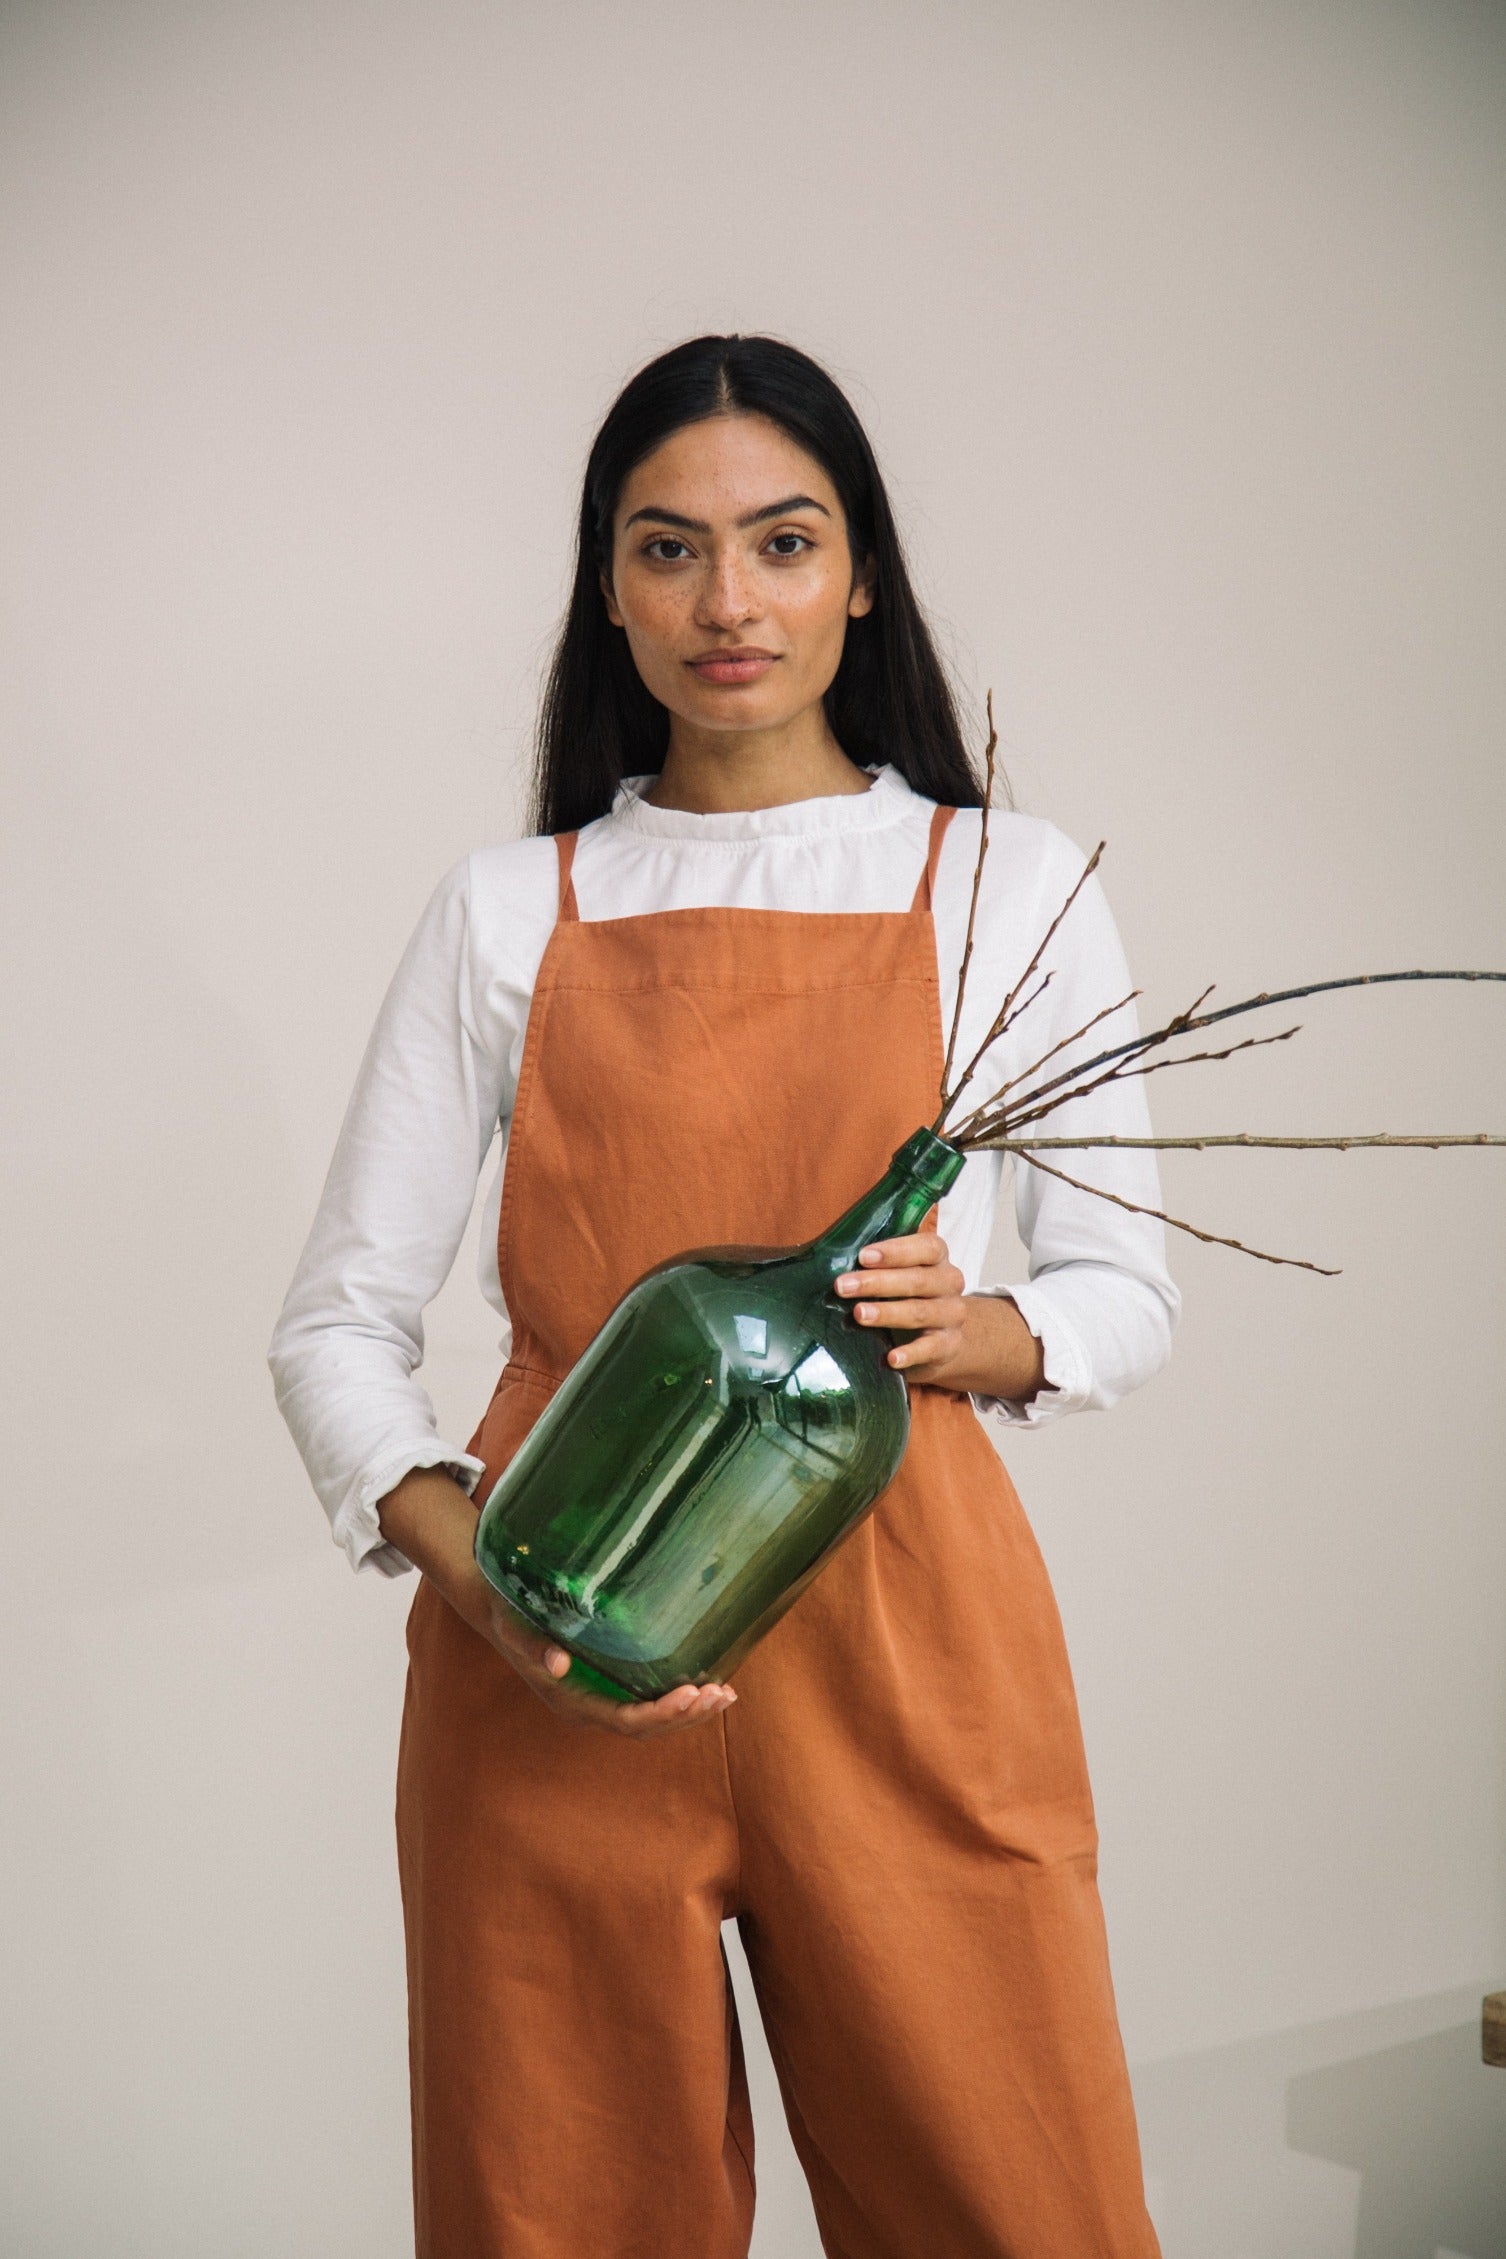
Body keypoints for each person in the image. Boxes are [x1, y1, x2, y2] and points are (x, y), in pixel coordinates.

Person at [269, 333, 1179, 2258]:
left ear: (862, 576)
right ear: (608, 590)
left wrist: (978, 1332)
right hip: (565, 1626)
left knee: (1016, 2207)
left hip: (912, 1628)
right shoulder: (511, 908)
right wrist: (478, 1580)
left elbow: (1119, 1287)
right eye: (667, 550)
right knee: (556, 2218)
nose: (727, 603)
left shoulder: (1000, 882)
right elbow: (336, 1325)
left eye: (782, 541)